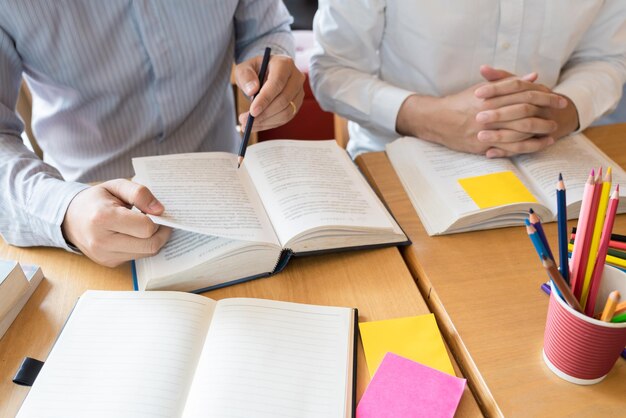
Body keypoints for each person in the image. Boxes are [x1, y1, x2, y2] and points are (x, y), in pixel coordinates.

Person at [0, 1, 305, 267]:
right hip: (94, 217)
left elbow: (267, 30)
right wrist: (64, 212)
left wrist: (272, 66)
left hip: (228, 194)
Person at [309, 1, 626, 159]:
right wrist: (429, 118)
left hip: (546, 159)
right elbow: (333, 69)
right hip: (400, 159)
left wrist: (561, 110)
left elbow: (606, 58)